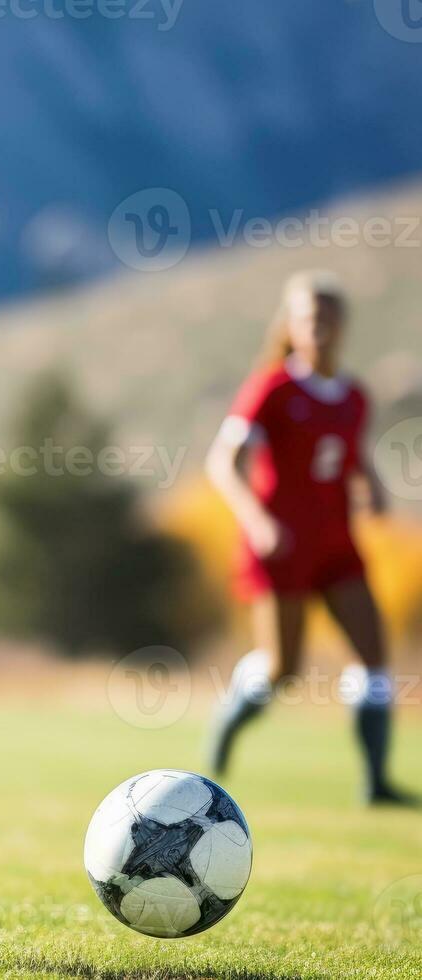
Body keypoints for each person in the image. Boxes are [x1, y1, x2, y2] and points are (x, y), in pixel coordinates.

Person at [205, 270, 412, 806]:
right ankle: (227, 724)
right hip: (282, 550)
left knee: (374, 657)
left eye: (326, 316)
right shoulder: (272, 389)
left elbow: (347, 450)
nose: (317, 325)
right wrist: (257, 522)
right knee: (283, 669)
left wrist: (371, 485)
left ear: (342, 324)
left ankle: (376, 783)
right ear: (291, 326)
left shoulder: (354, 397)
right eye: (306, 317)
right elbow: (223, 463)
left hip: (337, 547)